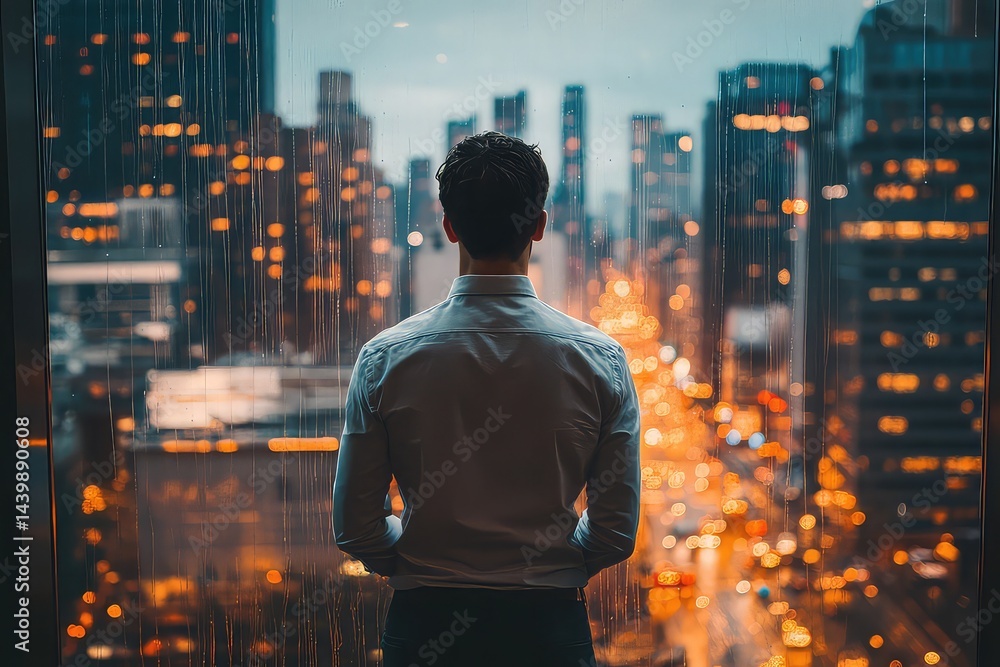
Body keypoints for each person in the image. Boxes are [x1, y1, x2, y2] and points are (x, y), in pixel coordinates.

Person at [333, 131, 640, 666]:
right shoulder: (600, 360)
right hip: (548, 630)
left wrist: (424, 563)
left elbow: (356, 528)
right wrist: (550, 566)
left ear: (449, 227)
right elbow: (613, 532)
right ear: (540, 226)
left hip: (423, 625)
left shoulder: (386, 358)